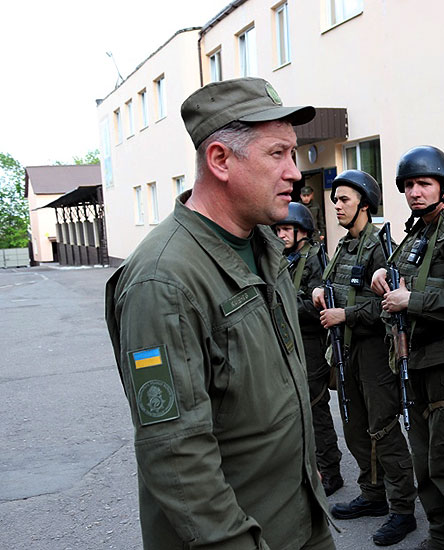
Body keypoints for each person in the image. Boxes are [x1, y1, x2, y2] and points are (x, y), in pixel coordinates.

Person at [104, 77, 335, 549]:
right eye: (278, 154)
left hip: (301, 515)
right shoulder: (162, 281)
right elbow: (176, 453)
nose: (295, 173)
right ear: (220, 160)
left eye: (293, 153)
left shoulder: (265, 245)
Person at [372, 146, 444, 550]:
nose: (415, 192)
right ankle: (440, 534)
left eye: (424, 183)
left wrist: (413, 301)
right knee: (424, 459)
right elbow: (403, 275)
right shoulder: (418, 231)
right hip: (414, 360)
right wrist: (383, 275)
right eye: (408, 185)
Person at [312, 169, 417, 546]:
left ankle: (403, 509)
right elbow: (332, 286)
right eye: (335, 200)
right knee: (355, 427)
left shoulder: (381, 247)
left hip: (374, 351)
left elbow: (391, 305)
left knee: (383, 429)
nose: (337, 206)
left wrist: (347, 315)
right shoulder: (343, 246)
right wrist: (319, 291)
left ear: (365, 204)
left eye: (344, 199)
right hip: (346, 349)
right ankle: (373, 494)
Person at [274, 202, 344, 496]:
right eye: (278, 229)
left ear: (302, 231)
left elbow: (319, 306)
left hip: (311, 344)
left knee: (316, 408)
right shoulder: (285, 259)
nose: (280, 235)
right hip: (290, 342)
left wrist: (282, 304)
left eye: (286, 229)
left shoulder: (314, 259)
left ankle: (330, 471)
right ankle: (308, 466)